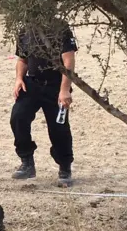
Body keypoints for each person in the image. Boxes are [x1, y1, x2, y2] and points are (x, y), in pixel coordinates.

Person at [10, 18, 77, 187]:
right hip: (31, 83)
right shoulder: (26, 28)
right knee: (18, 117)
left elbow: (68, 61)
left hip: (55, 85)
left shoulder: (60, 28)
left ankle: (64, 166)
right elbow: (22, 59)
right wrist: (19, 78)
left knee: (58, 128)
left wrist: (64, 90)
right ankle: (27, 161)